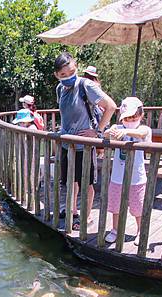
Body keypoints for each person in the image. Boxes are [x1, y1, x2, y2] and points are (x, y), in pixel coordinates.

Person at [54, 52, 117, 230]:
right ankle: (73, 211)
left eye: (71, 72)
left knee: (86, 182)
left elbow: (111, 106)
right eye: (63, 75)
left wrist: (97, 132)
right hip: (67, 144)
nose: (68, 77)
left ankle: (87, 216)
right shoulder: (60, 89)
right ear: (57, 75)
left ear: (76, 69)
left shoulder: (85, 85)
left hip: (84, 146)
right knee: (70, 180)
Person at [105, 97, 152, 244]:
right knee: (115, 205)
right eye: (127, 118)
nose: (130, 120)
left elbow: (143, 134)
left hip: (136, 177)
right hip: (117, 177)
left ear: (141, 116)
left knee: (138, 206)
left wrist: (129, 132)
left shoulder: (143, 129)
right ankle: (115, 229)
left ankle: (140, 231)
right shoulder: (118, 128)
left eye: (134, 117)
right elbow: (105, 134)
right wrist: (110, 131)